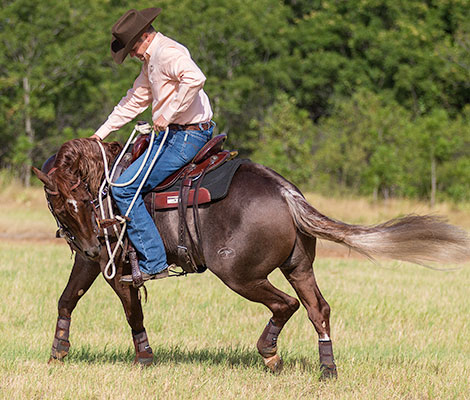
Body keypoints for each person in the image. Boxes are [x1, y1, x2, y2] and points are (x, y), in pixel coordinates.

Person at [91, 8, 214, 282]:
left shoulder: (166, 53)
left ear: (144, 36)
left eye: (132, 47)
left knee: (123, 189)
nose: (132, 54)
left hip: (185, 136)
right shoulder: (151, 60)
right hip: (177, 134)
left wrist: (166, 114)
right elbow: (135, 100)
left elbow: (195, 78)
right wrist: (100, 134)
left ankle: (155, 261)